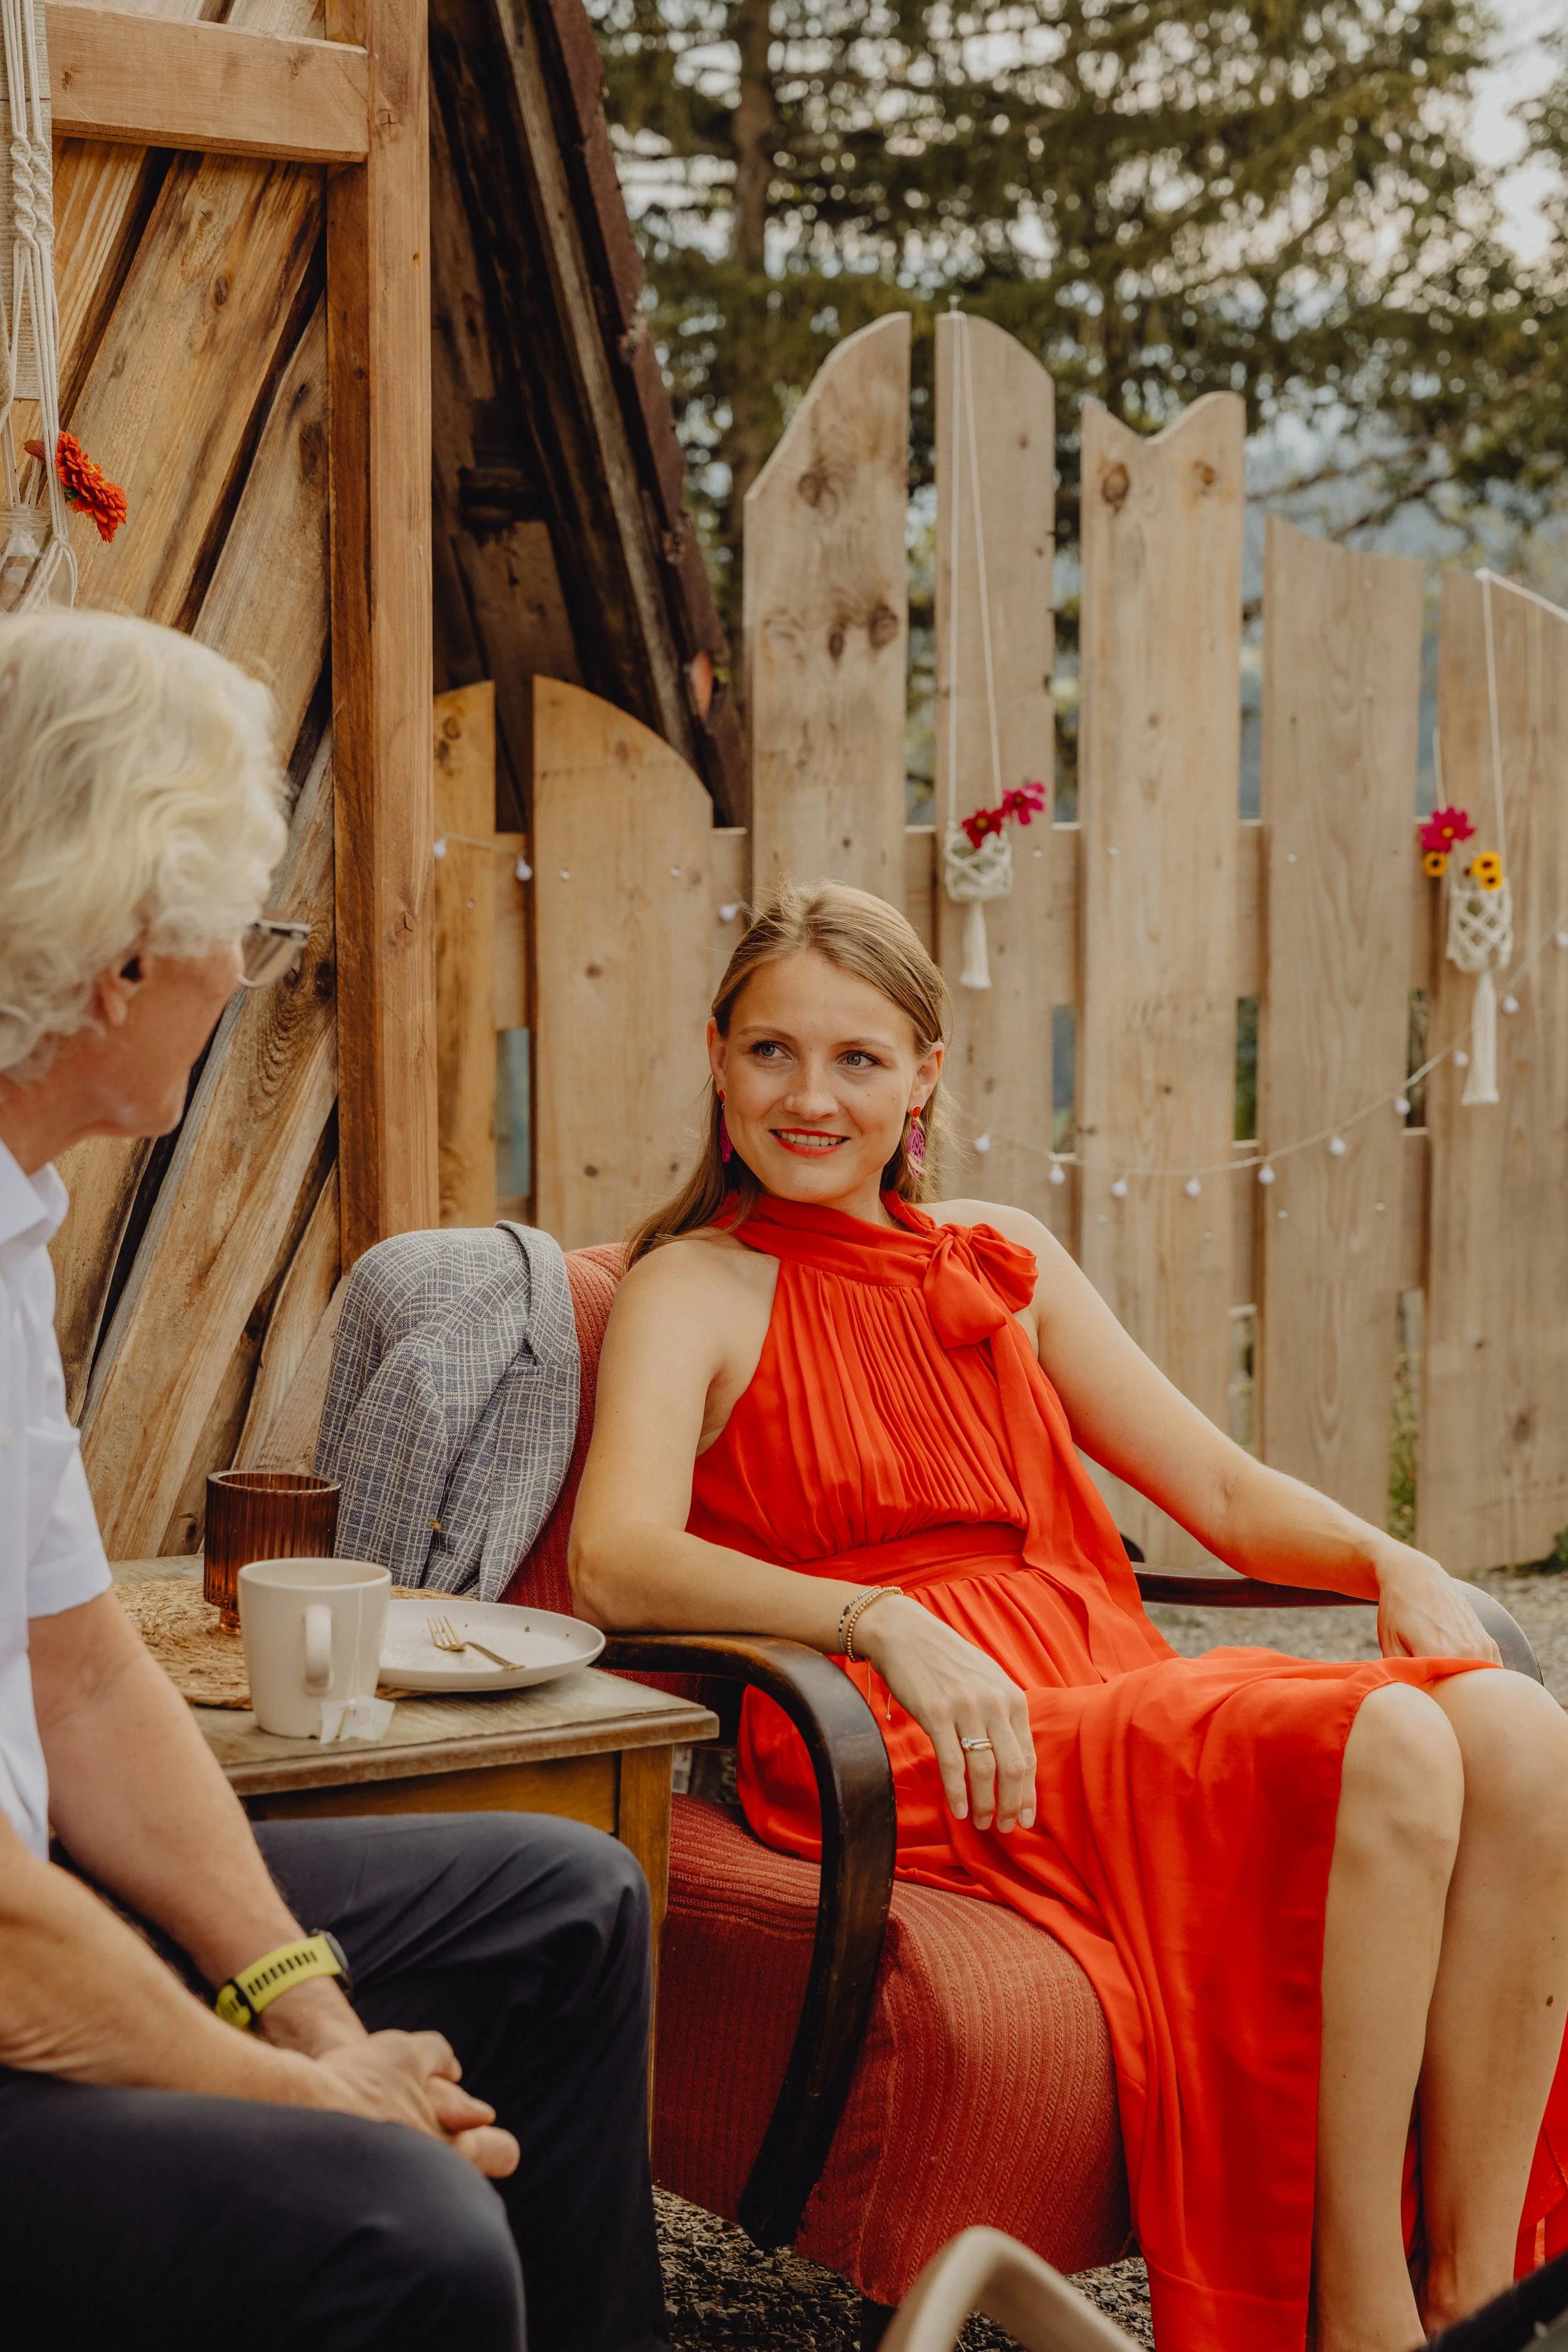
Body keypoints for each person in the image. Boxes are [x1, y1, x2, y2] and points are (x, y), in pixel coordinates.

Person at [569, 879, 1568, 2352]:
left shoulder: (996, 1250)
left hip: (1091, 1677)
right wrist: (874, 1622)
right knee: (1395, 1748)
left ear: (923, 1078)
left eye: (857, 1060)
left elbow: (1216, 1488)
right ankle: (1350, 2306)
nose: (809, 1097)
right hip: (917, 1727)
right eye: (771, 1052)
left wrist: (1386, 1560)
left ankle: (1470, 2286)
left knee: (1513, 1723)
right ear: (715, 1057)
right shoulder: (696, 1288)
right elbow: (614, 1558)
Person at [0, 610, 669, 2352]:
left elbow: (77, 1666)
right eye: (240, 924)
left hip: (39, 1889)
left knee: (563, 1900)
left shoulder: (15, 1216)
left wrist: (300, 1999)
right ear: (121, 958)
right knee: (409, 2224)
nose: (251, 967)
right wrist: (321, 2100)